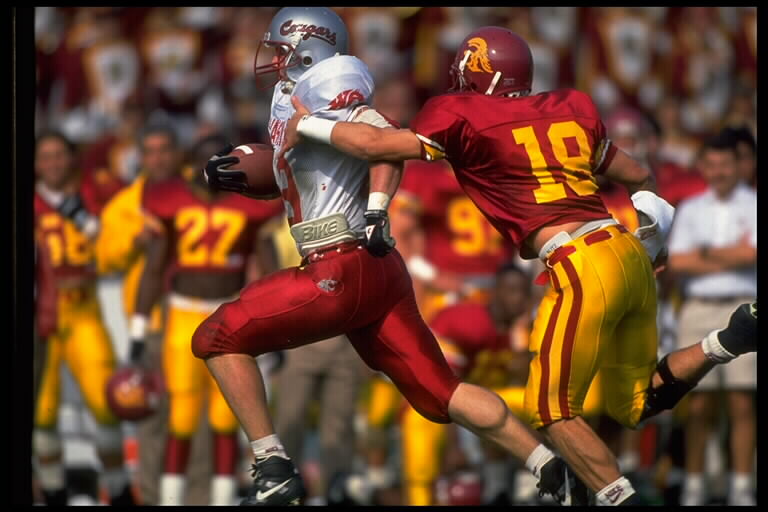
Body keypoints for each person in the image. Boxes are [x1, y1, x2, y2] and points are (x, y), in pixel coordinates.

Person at [282, 25, 757, 505]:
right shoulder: (569, 107)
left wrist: (306, 124)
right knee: (635, 403)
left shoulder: (461, 114)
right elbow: (641, 175)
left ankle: (621, 500)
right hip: (626, 252)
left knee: (552, 412)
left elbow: (374, 146)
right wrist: (653, 243)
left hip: (580, 261)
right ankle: (727, 340)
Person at [198, 8, 585, 506]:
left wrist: (378, 209)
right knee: (442, 393)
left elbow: (384, 141)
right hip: (378, 273)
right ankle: (548, 465)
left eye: (282, 50)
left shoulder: (334, 85)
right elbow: (313, 171)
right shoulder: (297, 102)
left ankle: (272, 469)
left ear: (309, 50)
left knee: (215, 337)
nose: (273, 59)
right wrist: (250, 171)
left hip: (338, 265)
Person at [128, 129, 283, 505]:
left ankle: (222, 500)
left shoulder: (249, 204)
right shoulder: (169, 199)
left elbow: (269, 272)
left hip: (228, 312)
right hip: (183, 312)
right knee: (181, 416)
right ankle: (170, 501)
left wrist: (275, 330)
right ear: (193, 165)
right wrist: (138, 327)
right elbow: (154, 267)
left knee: (225, 418)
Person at [33, 131, 134, 506]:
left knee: (105, 404)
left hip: (83, 310)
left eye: (59, 155)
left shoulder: (93, 191)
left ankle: (119, 490)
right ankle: (54, 492)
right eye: (45, 156)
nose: (53, 163)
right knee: (41, 411)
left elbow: (128, 207)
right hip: (41, 318)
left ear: (71, 157)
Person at [667, 133, 757, 506]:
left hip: (745, 306)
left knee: (742, 402)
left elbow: (752, 255)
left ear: (738, 165)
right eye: (712, 164)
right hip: (698, 307)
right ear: (702, 167)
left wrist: (703, 253)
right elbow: (678, 261)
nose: (719, 172)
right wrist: (732, 253)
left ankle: (741, 486)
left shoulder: (754, 203)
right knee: (697, 402)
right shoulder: (690, 208)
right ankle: (694, 484)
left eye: (725, 164)